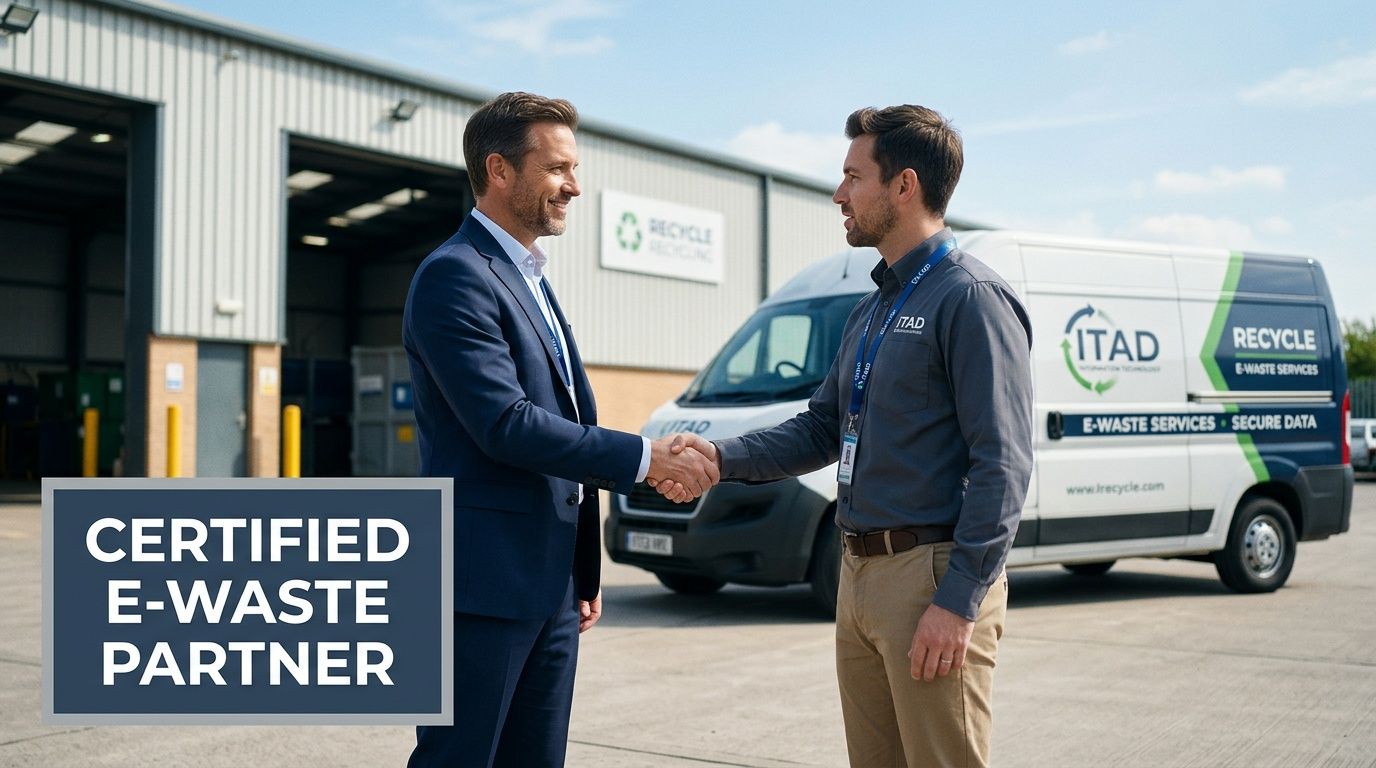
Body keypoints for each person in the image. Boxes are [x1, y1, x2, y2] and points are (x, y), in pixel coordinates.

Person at [663, 104, 1033, 768]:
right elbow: (823, 427)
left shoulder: (970, 298)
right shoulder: (873, 308)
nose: (839, 194)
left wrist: (957, 601)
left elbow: (1001, 464)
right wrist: (720, 457)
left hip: (930, 579)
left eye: (852, 176)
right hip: (858, 574)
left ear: (904, 186)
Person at [402, 91, 717, 768]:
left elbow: (566, 421)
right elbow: (506, 425)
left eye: (574, 169)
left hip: (547, 587)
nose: (575, 185)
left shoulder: (531, 279)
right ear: (499, 170)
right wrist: (644, 457)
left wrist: (581, 571)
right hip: (479, 588)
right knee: (461, 758)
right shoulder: (454, 277)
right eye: (558, 168)